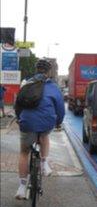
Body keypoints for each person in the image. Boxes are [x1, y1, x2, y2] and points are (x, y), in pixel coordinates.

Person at [15, 58, 65, 199]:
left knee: (24, 152)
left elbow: (18, 104)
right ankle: (44, 164)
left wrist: (20, 119)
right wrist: (58, 123)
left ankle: (22, 187)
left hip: (27, 122)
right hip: (46, 122)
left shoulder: (26, 84)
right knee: (44, 136)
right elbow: (60, 109)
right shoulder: (53, 87)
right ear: (49, 72)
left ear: (36, 70)